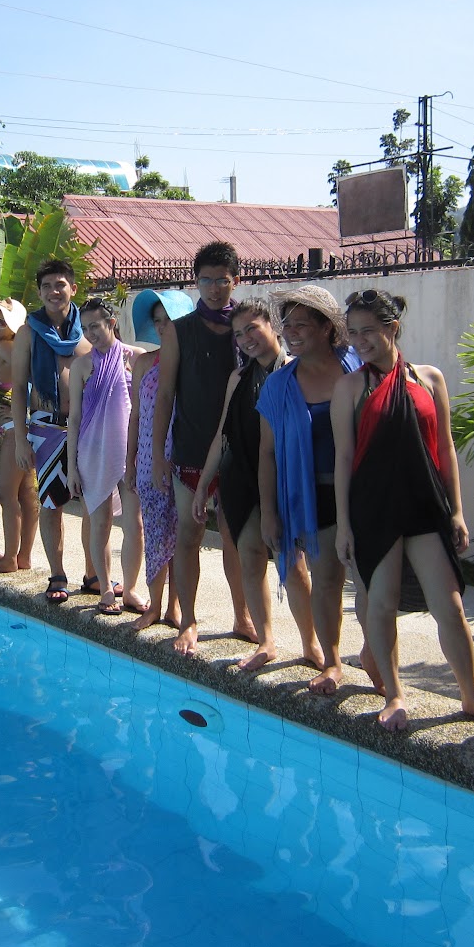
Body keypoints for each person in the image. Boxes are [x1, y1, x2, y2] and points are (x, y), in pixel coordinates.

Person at [332, 289, 474, 730]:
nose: (359, 342)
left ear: (392, 328)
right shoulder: (351, 386)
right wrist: (343, 526)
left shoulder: (429, 378)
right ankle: (394, 695)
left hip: (425, 505)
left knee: (448, 604)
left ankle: (472, 696)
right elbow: (343, 458)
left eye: (368, 332)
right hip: (374, 509)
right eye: (353, 333)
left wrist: (457, 511)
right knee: (381, 603)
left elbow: (446, 448)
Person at [192, 298, 319, 672]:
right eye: (239, 333)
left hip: (287, 479)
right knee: (249, 559)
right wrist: (203, 486)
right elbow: (222, 435)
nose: (246, 338)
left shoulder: (299, 371)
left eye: (253, 328)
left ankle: (312, 645)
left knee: (293, 565)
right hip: (240, 479)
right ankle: (266, 641)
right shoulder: (238, 378)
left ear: (272, 327)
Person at [151, 241, 256, 653]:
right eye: (206, 280)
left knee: (238, 539)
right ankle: (189, 621)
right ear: (196, 281)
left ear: (236, 281)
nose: (214, 288)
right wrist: (159, 454)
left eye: (222, 280)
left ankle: (242, 616)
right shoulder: (181, 330)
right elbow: (164, 396)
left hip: (239, 450)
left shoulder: (247, 326)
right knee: (189, 536)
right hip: (191, 449)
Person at [256, 285, 360, 691]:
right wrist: (269, 511)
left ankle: (376, 656)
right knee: (328, 580)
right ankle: (332, 662)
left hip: (365, 493)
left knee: (372, 588)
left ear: (326, 327)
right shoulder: (279, 385)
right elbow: (267, 453)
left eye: (301, 323)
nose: (291, 331)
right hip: (315, 497)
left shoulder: (356, 366)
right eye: (288, 323)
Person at [0, 259, 97, 602]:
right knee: (52, 505)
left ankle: (94, 574)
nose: (54, 292)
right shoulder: (28, 332)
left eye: (60, 284)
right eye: (47, 287)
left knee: (92, 506)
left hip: (87, 431)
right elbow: (19, 386)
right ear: (40, 293)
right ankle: (57, 575)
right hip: (48, 429)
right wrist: (22, 439)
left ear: (73, 288)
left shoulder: (89, 329)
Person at [67, 298, 145, 615]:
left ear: (111, 323)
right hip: (91, 452)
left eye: (95, 326)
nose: (91, 334)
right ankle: (105, 588)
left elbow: (145, 410)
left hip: (130, 452)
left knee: (134, 524)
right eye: (85, 329)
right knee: (99, 524)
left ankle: (130, 589)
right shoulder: (82, 366)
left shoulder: (136, 358)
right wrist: (71, 466)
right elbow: (73, 418)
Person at [126, 288, 193, 632]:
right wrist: (130, 462)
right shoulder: (142, 363)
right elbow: (136, 415)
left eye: (170, 320)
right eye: (158, 321)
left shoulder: (193, 364)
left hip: (182, 458)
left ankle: (175, 607)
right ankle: (153, 606)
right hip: (150, 459)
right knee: (154, 532)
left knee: (182, 536)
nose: (164, 327)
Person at [0, 298, 37, 573]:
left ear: (13, 327)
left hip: (14, 431)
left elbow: (29, 374)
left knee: (6, 493)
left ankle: (11, 557)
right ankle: (23, 557)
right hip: (20, 429)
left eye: (1, 320)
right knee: (25, 494)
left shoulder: (5, 346)